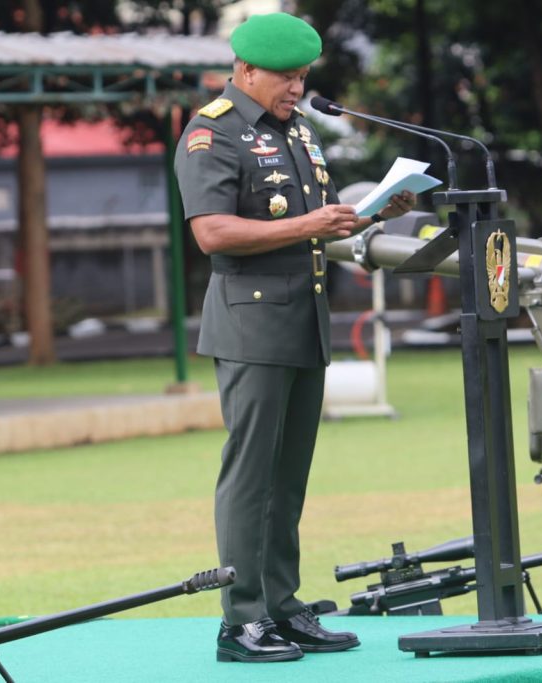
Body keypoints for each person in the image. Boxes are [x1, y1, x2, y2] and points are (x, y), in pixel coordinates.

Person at [173, 13, 415, 664]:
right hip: (251, 322)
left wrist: (371, 212)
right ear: (246, 71)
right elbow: (213, 233)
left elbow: (317, 226)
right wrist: (312, 222)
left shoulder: (297, 132)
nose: (297, 88)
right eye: (286, 77)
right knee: (250, 475)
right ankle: (241, 617)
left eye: (303, 76)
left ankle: (282, 604)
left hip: (304, 319)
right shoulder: (213, 133)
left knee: (289, 477)